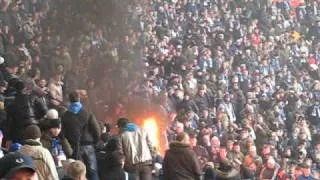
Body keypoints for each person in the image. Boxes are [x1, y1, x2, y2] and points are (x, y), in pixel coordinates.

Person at [61, 91, 101, 180]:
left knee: (77, 173)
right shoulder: (88, 113)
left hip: (74, 147)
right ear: (79, 99)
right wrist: (95, 142)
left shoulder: (64, 116)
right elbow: (97, 131)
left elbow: (63, 134)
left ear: (70, 100)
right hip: (88, 146)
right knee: (92, 171)